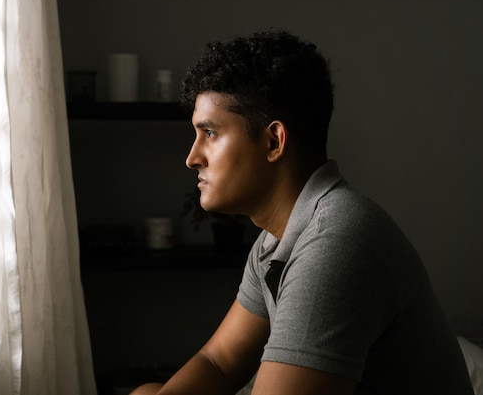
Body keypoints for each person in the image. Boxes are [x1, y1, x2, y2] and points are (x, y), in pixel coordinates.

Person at [130, 30, 474, 395]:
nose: (192, 157)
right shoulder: (278, 237)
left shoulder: (335, 242)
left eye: (210, 133)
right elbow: (218, 361)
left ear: (274, 142)